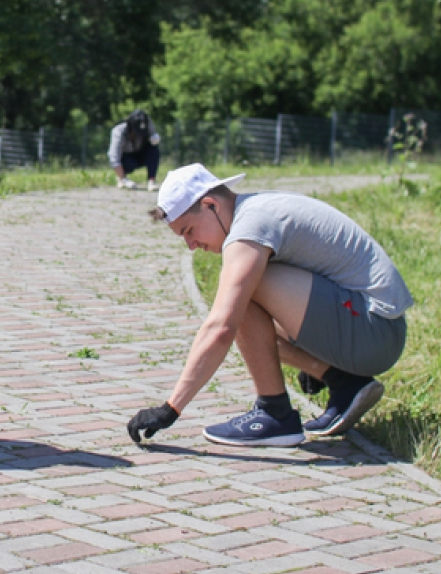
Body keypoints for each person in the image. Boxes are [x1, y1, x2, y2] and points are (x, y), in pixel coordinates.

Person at [126, 164, 413, 447]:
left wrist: (169, 409)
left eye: (188, 230)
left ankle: (274, 414)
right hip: (375, 330)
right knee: (244, 298)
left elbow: (221, 327)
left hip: (374, 332)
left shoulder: (250, 226)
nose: (190, 244)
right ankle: (343, 382)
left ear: (211, 205)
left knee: (243, 292)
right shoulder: (254, 209)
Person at [108, 109, 161, 191]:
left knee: (154, 150)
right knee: (129, 163)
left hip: (140, 153)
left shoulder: (147, 123)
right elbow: (114, 157)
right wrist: (124, 179)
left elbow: (154, 137)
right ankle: (121, 178)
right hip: (126, 157)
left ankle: (151, 181)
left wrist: (154, 138)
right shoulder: (118, 131)